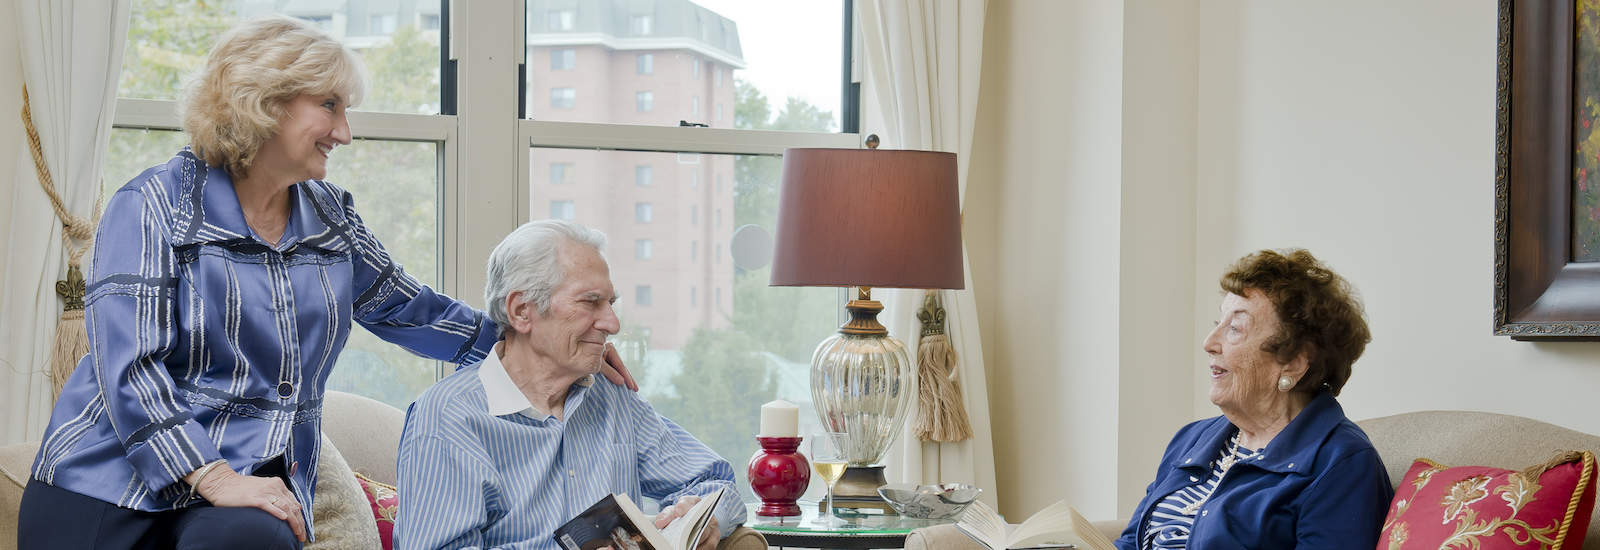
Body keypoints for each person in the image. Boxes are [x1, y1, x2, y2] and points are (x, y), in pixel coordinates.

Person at [17, 16, 635, 549]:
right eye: (330, 106)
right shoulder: (153, 206)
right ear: (264, 102)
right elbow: (129, 366)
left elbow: (408, 310)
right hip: (111, 479)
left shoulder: (329, 219)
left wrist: (538, 343)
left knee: (254, 536)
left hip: (243, 489)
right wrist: (211, 475)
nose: (345, 132)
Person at [396, 220, 743, 550]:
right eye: (590, 302)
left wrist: (703, 518)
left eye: (611, 303)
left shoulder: (611, 395)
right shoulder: (447, 419)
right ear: (521, 311)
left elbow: (716, 481)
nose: (613, 323)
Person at [1115, 249, 1392, 550]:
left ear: (1294, 363)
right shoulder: (1192, 439)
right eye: (1217, 322)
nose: (1209, 343)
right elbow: (1131, 542)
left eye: (1235, 328)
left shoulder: (1340, 463)